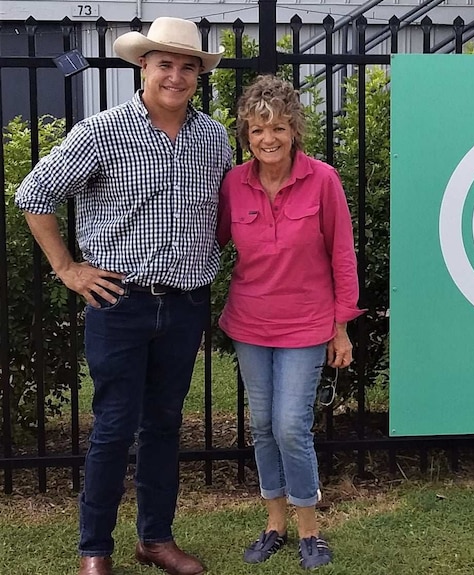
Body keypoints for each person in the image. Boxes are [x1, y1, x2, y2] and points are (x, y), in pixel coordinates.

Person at [14, 17, 232, 575]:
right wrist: (67, 268)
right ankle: (95, 549)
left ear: (198, 76)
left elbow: (225, 213)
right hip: (119, 302)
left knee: (164, 424)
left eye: (188, 67)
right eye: (165, 64)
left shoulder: (214, 138)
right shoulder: (102, 131)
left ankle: (155, 539)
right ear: (143, 66)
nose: (176, 76)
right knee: (113, 427)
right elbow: (33, 193)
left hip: (184, 304)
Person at [217, 75, 362, 570]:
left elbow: (342, 255)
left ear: (294, 130)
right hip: (250, 321)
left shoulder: (322, 180)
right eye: (257, 130)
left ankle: (310, 531)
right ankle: (273, 524)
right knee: (261, 425)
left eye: (277, 127)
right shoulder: (233, 184)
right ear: (246, 136)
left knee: (291, 426)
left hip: (306, 323)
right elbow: (209, 241)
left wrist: (341, 325)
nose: (267, 139)